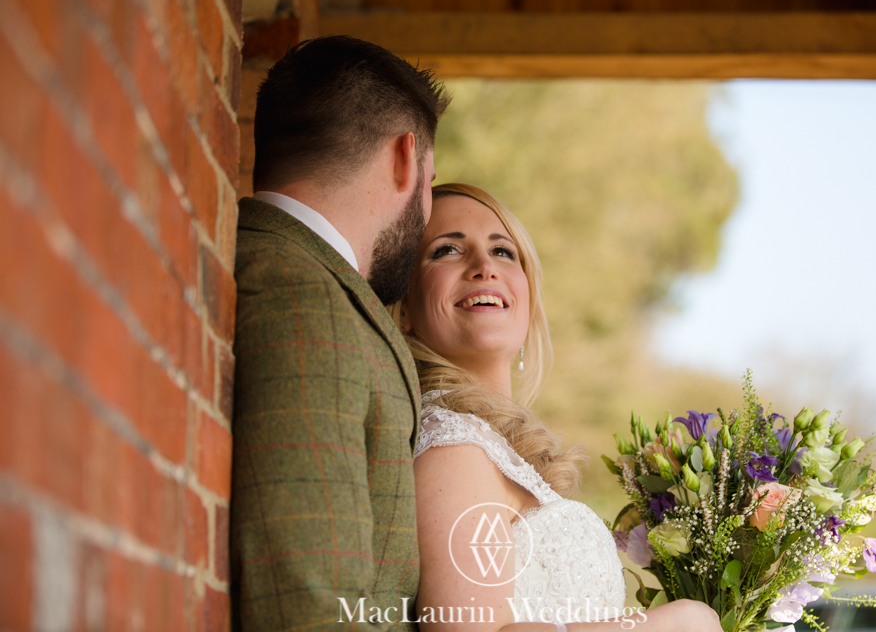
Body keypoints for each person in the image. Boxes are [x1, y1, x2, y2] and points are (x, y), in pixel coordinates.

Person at [391, 183, 724, 632]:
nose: (484, 266)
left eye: (504, 252)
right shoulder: (453, 449)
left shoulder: (489, 448)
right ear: (403, 307)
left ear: (527, 300)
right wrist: (678, 623)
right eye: (447, 249)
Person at [230, 36, 450, 631]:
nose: (428, 212)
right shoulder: (304, 297)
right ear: (406, 158)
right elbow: (305, 603)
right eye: (431, 183)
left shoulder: (283, 270)